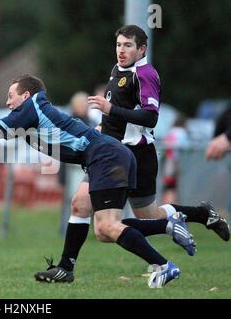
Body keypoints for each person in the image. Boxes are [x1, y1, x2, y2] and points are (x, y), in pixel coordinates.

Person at [0, 74, 196, 288]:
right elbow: (2, 134)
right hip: (110, 155)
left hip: (105, 157)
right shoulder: (32, 115)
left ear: (25, 95)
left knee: (107, 227)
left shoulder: (32, 107)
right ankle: (66, 269)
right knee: (87, 213)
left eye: (11, 96)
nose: (8, 102)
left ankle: (163, 263)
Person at [34, 25, 230, 284]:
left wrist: (110, 109)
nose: (121, 50)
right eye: (118, 45)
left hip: (135, 155)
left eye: (128, 45)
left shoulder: (145, 74)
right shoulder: (118, 70)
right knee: (81, 204)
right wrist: (103, 127)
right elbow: (120, 115)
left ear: (142, 49)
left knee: (127, 222)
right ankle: (65, 268)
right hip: (109, 152)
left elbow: (150, 118)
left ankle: (184, 227)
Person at [161, 115, 189, 204]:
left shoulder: (171, 131)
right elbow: (185, 145)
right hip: (175, 161)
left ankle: (166, 206)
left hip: (167, 160)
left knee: (168, 186)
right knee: (172, 187)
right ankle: (172, 208)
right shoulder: (182, 132)